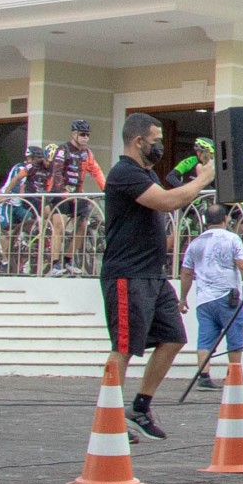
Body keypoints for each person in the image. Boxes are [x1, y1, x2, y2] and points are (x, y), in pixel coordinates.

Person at [101, 111, 216, 440]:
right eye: (156, 141)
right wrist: (203, 178)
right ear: (138, 142)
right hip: (127, 275)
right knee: (123, 347)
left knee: (174, 337)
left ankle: (140, 407)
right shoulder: (125, 173)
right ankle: (109, 418)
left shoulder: (144, 174)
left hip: (152, 275)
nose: (161, 147)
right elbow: (168, 202)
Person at [181, 204, 243, 389]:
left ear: (205, 221)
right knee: (235, 332)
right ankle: (234, 375)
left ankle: (204, 376)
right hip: (227, 295)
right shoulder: (232, 239)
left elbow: (186, 273)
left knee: (205, 337)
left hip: (204, 299)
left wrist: (183, 298)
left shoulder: (195, 243)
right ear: (225, 220)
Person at [48, 119, 107, 275]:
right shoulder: (63, 150)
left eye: (87, 135)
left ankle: (67, 259)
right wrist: (64, 192)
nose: (85, 138)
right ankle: (55, 264)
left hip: (78, 193)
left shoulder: (86, 154)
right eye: (82, 134)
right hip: (60, 194)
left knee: (83, 225)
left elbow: (96, 172)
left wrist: (107, 189)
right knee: (59, 226)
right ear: (74, 134)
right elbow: (57, 172)